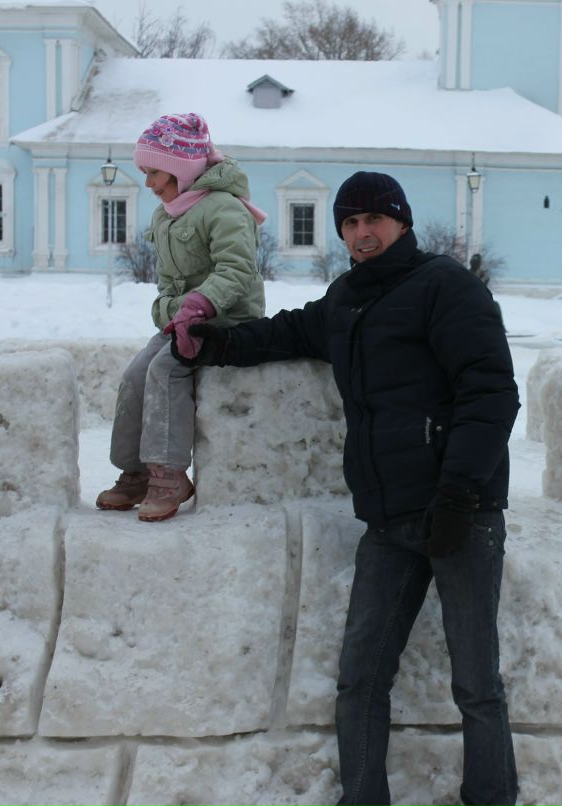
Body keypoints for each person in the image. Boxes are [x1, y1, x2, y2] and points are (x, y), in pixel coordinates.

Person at [174, 171, 520, 806]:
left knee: (475, 683)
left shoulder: (446, 287)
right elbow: (286, 333)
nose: (363, 233)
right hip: (389, 521)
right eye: (350, 223)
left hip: (461, 514)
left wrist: (460, 494)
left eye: (374, 220)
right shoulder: (346, 300)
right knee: (360, 679)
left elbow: (492, 392)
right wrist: (214, 345)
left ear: (402, 221)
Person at [95, 112, 266, 522]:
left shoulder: (224, 209)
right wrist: (170, 312)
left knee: (166, 370)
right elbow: (167, 285)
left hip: (226, 322)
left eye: (154, 172)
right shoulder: (168, 215)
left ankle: (170, 474)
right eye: (145, 172)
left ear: (180, 169)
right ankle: (134, 472)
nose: (149, 183)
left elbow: (237, 271)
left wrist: (199, 306)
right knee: (136, 375)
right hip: (181, 322)